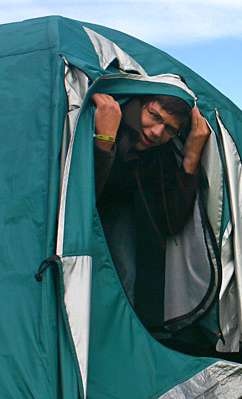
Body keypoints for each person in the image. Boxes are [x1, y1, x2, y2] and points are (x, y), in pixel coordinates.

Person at [91, 92, 212, 330]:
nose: (157, 132)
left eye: (169, 129)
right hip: (69, 212)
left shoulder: (157, 155)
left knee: (125, 268)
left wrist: (191, 158)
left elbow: (172, 222)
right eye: (154, 116)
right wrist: (103, 140)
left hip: (115, 205)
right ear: (138, 103)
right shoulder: (93, 120)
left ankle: (117, 336)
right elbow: (73, 196)